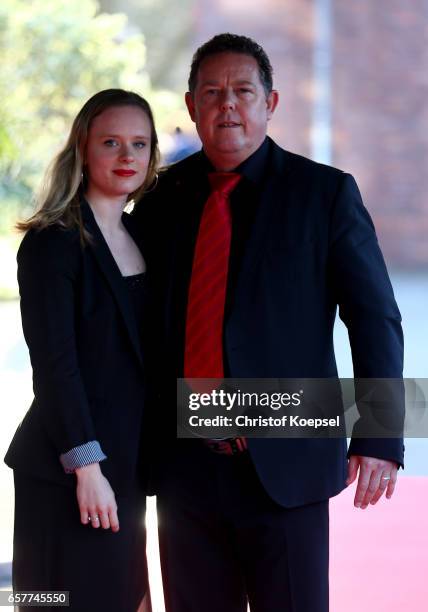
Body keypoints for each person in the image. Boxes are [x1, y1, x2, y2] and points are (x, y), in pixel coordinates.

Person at [134, 33, 405, 612]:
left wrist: (380, 434)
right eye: (211, 92)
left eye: (241, 91)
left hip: (286, 465)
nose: (226, 104)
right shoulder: (160, 202)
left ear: (270, 103)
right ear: (190, 107)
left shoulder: (324, 195)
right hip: (184, 470)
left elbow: (375, 316)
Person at [4, 89, 159, 612]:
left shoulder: (144, 236)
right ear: (83, 149)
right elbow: (55, 368)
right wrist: (87, 470)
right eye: (110, 142)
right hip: (67, 471)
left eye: (139, 144)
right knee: (54, 603)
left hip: (126, 467)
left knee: (126, 598)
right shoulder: (53, 241)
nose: (126, 157)